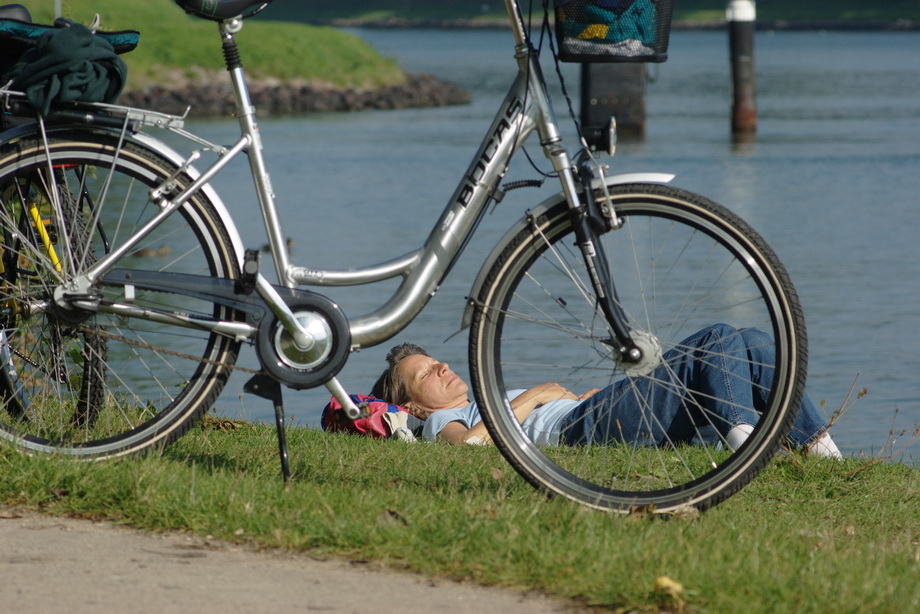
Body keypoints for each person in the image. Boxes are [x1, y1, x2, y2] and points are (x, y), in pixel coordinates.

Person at [370, 323, 842, 457]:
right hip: (581, 432)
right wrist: (534, 397)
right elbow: (471, 446)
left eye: (436, 361)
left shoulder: (478, 403)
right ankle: (746, 447)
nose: (444, 367)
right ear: (411, 404)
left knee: (754, 342)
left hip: (593, 413)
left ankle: (823, 453)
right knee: (716, 341)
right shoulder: (436, 423)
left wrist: (583, 397)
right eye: (428, 373)